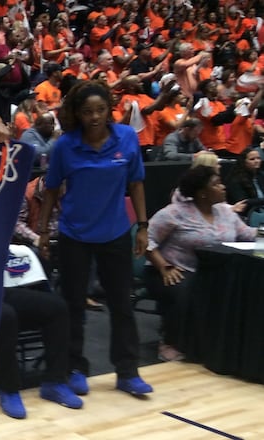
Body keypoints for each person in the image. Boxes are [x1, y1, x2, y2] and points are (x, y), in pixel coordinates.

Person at [38, 80, 154, 397]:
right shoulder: (65, 145)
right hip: (75, 234)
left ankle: (127, 372)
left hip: (115, 232)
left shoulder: (127, 138)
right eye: (88, 111)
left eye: (100, 110)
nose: (94, 117)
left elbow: (138, 184)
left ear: (108, 111)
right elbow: (50, 190)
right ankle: (75, 367)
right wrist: (44, 230)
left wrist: (142, 226)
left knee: (121, 304)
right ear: (77, 113)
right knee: (73, 305)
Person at [145, 166, 256, 361]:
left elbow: (246, 234)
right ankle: (170, 341)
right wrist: (163, 267)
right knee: (186, 290)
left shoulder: (225, 211)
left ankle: (212, 342)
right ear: (202, 193)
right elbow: (146, 240)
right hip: (173, 269)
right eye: (216, 184)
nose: (223, 187)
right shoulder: (174, 213)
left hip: (213, 271)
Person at [0, 245, 82, 419]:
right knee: (5, 315)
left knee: (56, 307)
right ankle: (9, 389)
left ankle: (54, 381)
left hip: (0, 286)